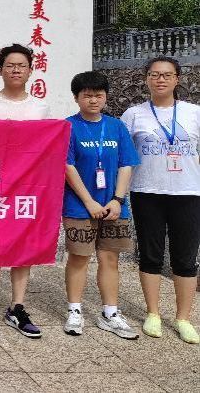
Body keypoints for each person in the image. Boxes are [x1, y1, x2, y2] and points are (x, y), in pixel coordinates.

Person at [0, 43, 50, 339]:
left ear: (31, 70)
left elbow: (46, 148)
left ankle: (17, 307)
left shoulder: (40, 107)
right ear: (0, 70)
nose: (16, 70)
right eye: (10, 65)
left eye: (21, 66)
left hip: (28, 187)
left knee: (23, 248)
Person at [121, 56, 200, 344]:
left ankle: (183, 318)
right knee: (150, 255)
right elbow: (123, 154)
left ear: (177, 79)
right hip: (147, 192)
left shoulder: (194, 112)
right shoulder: (133, 114)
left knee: (186, 257)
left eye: (167, 74)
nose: (160, 79)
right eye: (154, 74)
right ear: (146, 79)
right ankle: (153, 313)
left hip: (188, 193)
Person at [62, 71, 139, 339]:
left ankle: (110, 313)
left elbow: (126, 163)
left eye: (98, 95)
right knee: (79, 257)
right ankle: (74, 310)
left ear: (105, 97)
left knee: (110, 258)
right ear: (76, 98)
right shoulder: (68, 127)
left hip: (114, 206)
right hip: (78, 205)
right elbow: (67, 166)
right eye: (87, 95)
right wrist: (89, 201)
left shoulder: (116, 126)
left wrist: (118, 200)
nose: (93, 100)